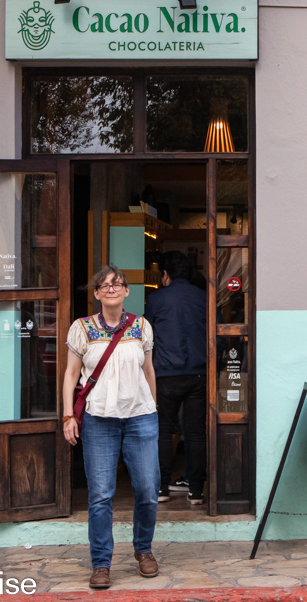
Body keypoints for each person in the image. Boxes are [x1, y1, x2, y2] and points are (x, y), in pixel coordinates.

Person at [62, 265, 160, 590]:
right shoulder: (83, 328)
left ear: (127, 291)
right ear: (96, 293)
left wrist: (154, 408)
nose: (111, 289)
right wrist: (68, 415)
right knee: (101, 495)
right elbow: (70, 373)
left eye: (117, 284)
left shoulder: (141, 327)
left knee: (147, 490)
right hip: (99, 420)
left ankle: (143, 549)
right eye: (105, 285)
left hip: (140, 416)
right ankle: (101, 563)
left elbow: (148, 370)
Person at [144, 251, 207, 506]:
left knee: (163, 431)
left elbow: (146, 338)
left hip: (166, 375)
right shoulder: (204, 298)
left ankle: (161, 489)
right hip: (199, 373)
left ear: (165, 275)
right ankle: (196, 491)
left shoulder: (156, 299)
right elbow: (221, 334)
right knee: (196, 433)